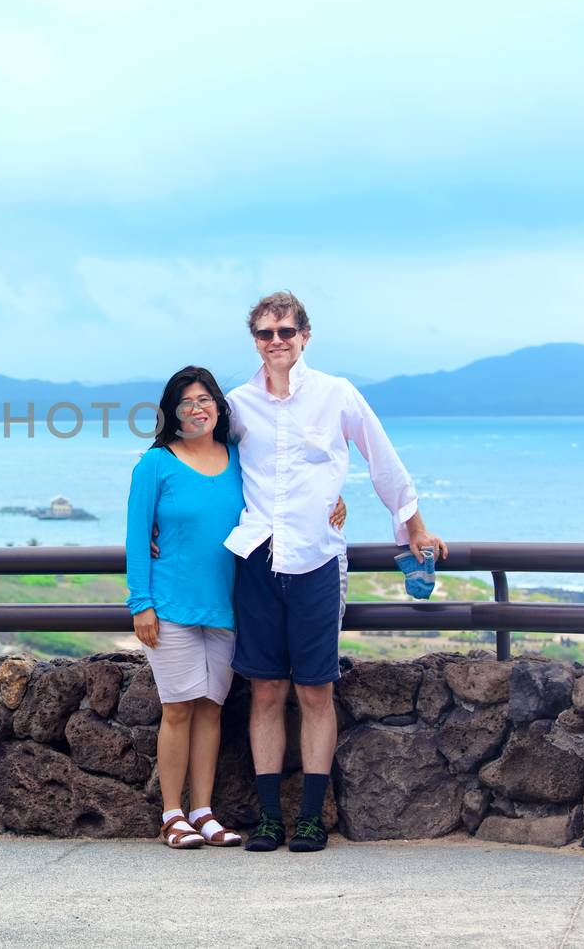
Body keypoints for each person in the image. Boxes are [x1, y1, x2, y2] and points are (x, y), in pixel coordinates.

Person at [223, 291, 446, 854]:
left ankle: (311, 818)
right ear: (254, 340)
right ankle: (270, 819)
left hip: (318, 559)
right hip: (256, 559)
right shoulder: (236, 404)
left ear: (306, 335)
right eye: (265, 333)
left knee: (316, 691)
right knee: (267, 691)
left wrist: (412, 527)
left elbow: (383, 460)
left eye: (286, 331)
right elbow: (203, 469)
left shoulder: (337, 395)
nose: (277, 341)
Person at [127, 366, 345, 849]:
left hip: (227, 607)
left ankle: (203, 812)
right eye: (186, 402)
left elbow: (285, 486)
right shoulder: (155, 464)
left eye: (205, 399)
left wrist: (331, 499)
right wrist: (141, 604)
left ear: (219, 408)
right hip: (171, 608)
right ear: (172, 411)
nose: (196, 408)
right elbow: (137, 539)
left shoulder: (236, 458)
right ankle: (172, 814)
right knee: (178, 709)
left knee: (211, 710)